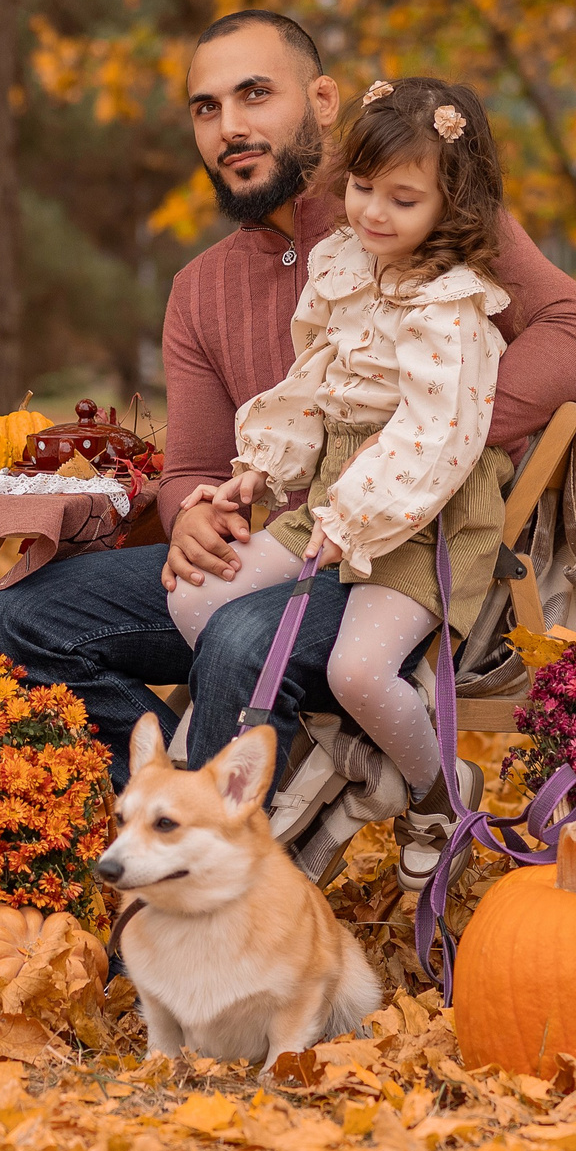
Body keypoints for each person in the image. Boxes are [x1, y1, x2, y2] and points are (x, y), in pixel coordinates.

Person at [0, 11, 576, 790]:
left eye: (255, 94)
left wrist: (422, 435)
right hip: (279, 546)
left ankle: (223, 874)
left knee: (239, 638)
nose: (231, 126)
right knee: (12, 622)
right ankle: (166, 807)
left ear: (323, 100)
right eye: (207, 107)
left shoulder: (419, 214)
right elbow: (189, 464)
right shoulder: (198, 290)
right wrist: (190, 514)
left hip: (405, 560)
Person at [166, 77, 508, 813]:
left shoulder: (453, 307)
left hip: (423, 516)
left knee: (359, 668)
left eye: (403, 199)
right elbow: (311, 379)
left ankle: (435, 792)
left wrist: (353, 512)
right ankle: (342, 743)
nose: (374, 212)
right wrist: (256, 471)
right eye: (361, 188)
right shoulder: (345, 266)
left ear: (454, 202)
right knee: (199, 599)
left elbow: (434, 440)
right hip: (332, 493)